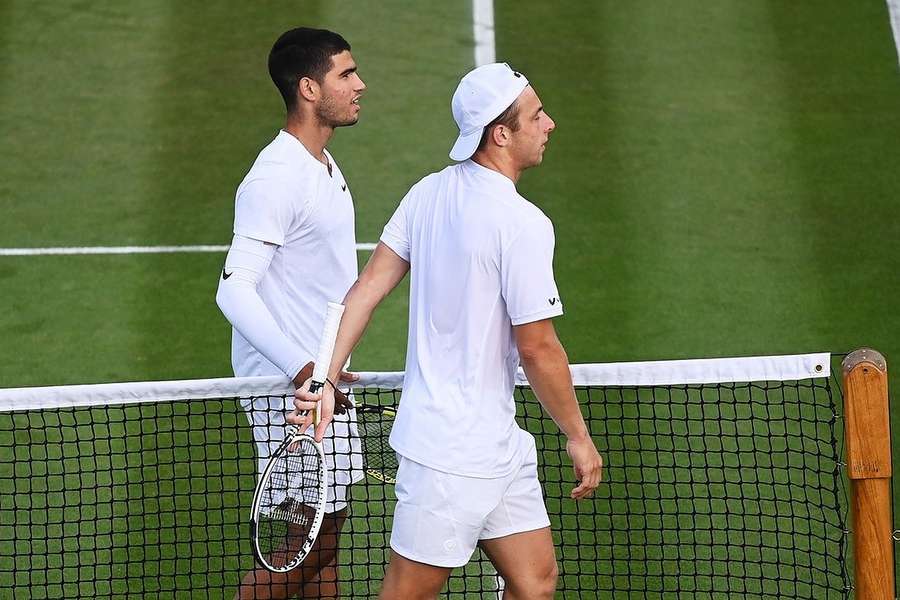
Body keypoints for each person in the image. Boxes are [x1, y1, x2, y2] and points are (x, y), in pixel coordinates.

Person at [291, 62, 603, 600]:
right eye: (537, 115)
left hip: (498, 446)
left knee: (536, 583)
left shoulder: (428, 193)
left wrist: (325, 372)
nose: (549, 124)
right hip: (448, 458)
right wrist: (578, 435)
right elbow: (537, 345)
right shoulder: (523, 224)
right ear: (501, 134)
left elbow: (365, 289)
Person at [215, 27, 366, 599]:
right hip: (293, 387)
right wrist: (304, 370)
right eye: (345, 75)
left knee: (322, 541)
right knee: (314, 544)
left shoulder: (322, 164)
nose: (360, 85)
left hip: (317, 377)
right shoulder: (277, 175)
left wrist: (326, 363)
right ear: (308, 88)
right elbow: (232, 292)